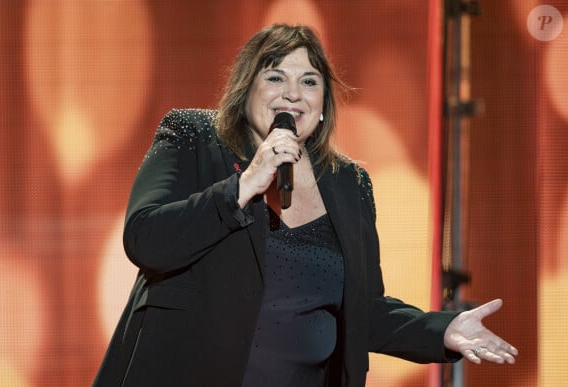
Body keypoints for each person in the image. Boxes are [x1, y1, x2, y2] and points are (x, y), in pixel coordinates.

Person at [93, 24, 518, 387]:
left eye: (310, 81)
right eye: (276, 78)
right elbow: (147, 239)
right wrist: (242, 186)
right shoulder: (193, 137)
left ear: (324, 103)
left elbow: (363, 309)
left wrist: (442, 330)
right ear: (247, 89)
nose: (293, 94)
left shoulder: (350, 183)